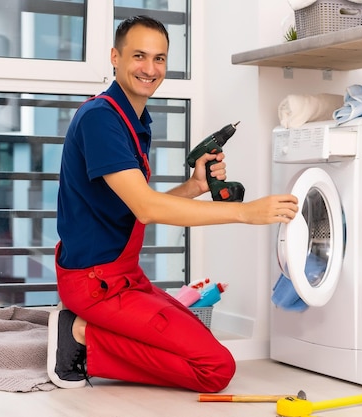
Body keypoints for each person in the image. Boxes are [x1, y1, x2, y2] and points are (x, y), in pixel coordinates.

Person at [47, 15, 299, 393]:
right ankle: (80, 332)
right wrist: (245, 212)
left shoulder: (133, 118)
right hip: (96, 283)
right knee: (215, 369)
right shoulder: (100, 120)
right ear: (115, 57)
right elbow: (147, 208)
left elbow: (135, 205)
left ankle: (89, 329)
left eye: (160, 58)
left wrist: (194, 186)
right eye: (139, 56)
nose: (150, 69)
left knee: (195, 335)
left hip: (124, 276)